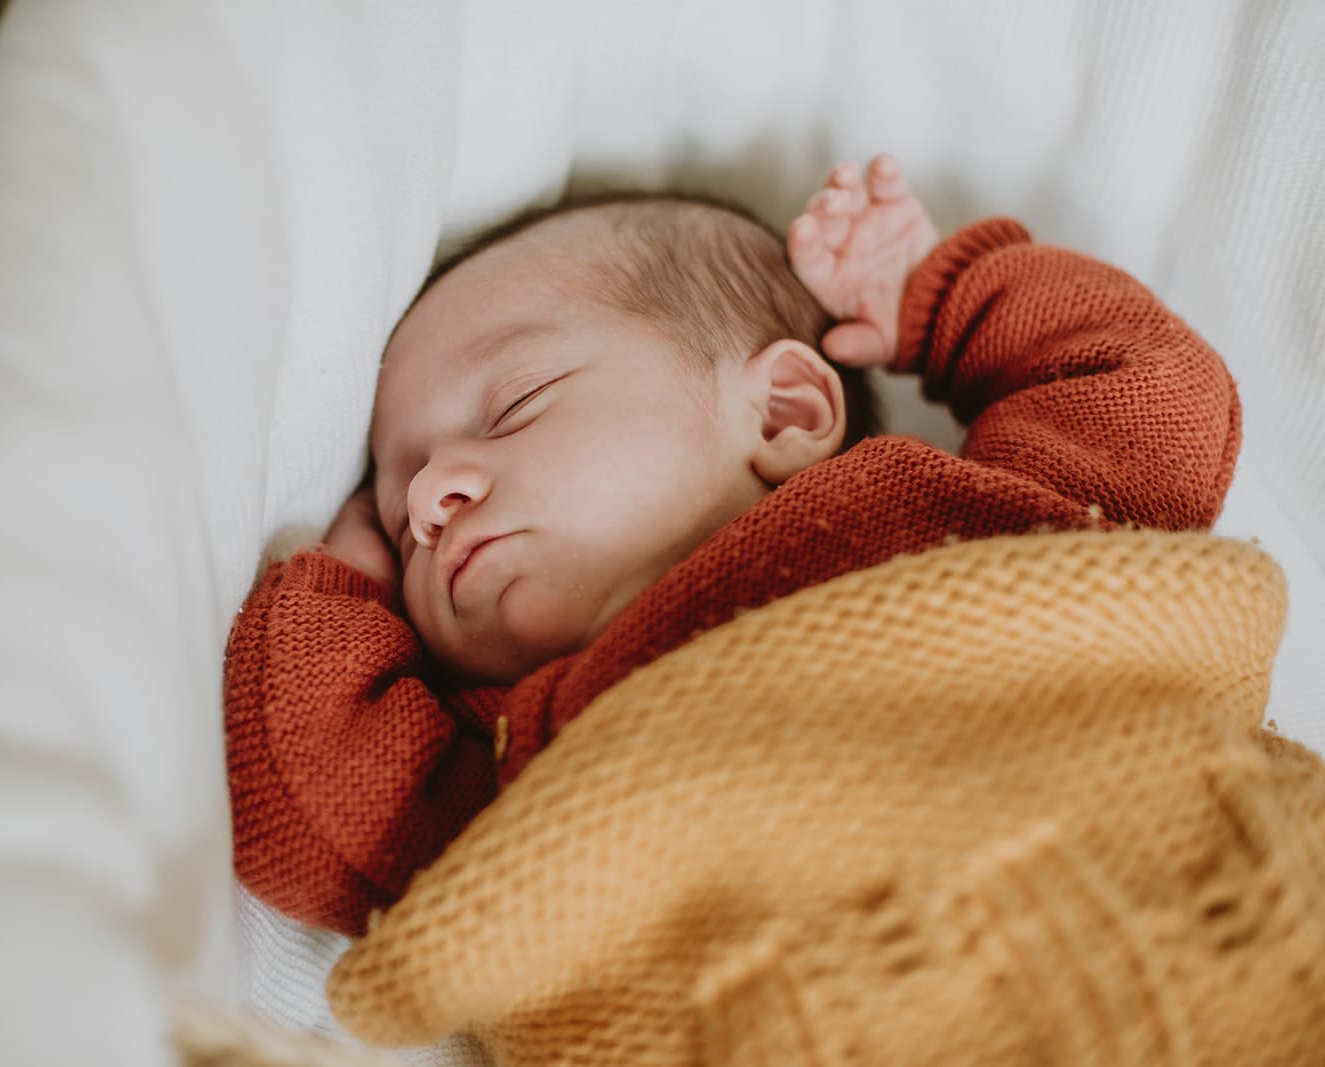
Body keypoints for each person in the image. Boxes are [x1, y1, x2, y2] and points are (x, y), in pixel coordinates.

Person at [223, 156, 1241, 937]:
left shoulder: (948, 528)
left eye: (514, 405)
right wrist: (344, 589)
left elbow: (1148, 391)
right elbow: (318, 828)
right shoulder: (521, 771)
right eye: (401, 513)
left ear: (785, 409)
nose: (432, 498)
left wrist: (937, 296)